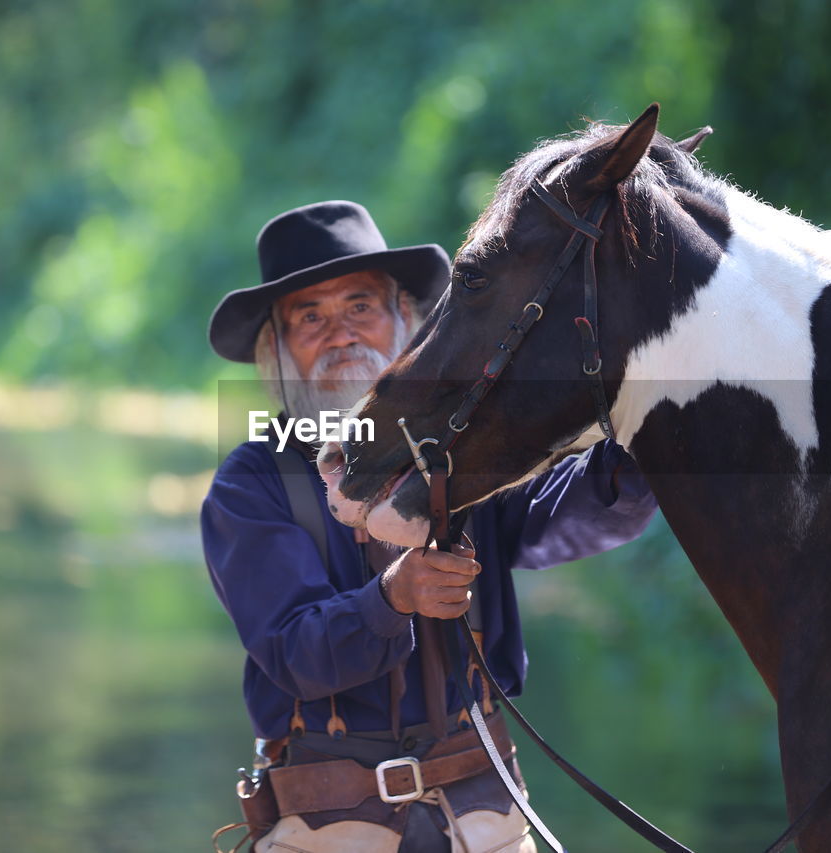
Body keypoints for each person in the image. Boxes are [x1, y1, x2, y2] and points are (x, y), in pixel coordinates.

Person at [201, 200, 657, 852]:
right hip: (326, 830)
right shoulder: (250, 483)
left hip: (487, 821)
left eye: (360, 306)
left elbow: (565, 516)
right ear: (276, 350)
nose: (341, 333)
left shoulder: (463, 445)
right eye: (311, 317)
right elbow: (294, 652)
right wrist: (391, 598)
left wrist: (644, 442)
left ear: (405, 322)